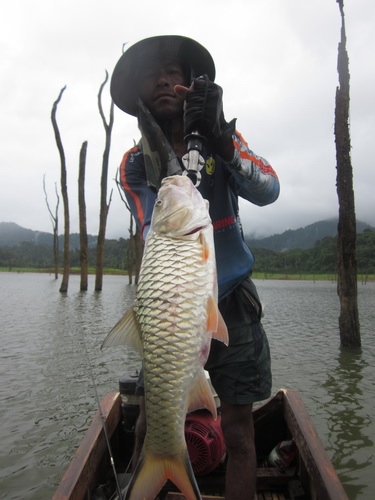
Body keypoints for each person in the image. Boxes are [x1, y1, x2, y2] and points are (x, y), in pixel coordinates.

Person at [110, 35, 280, 500]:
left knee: (241, 432)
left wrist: (221, 138)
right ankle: (147, 480)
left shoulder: (225, 140)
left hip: (234, 306)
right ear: (140, 95)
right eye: (152, 75)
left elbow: (269, 190)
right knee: (147, 421)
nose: (163, 79)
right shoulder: (132, 164)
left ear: (189, 84)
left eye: (173, 72)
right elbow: (160, 227)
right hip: (171, 307)